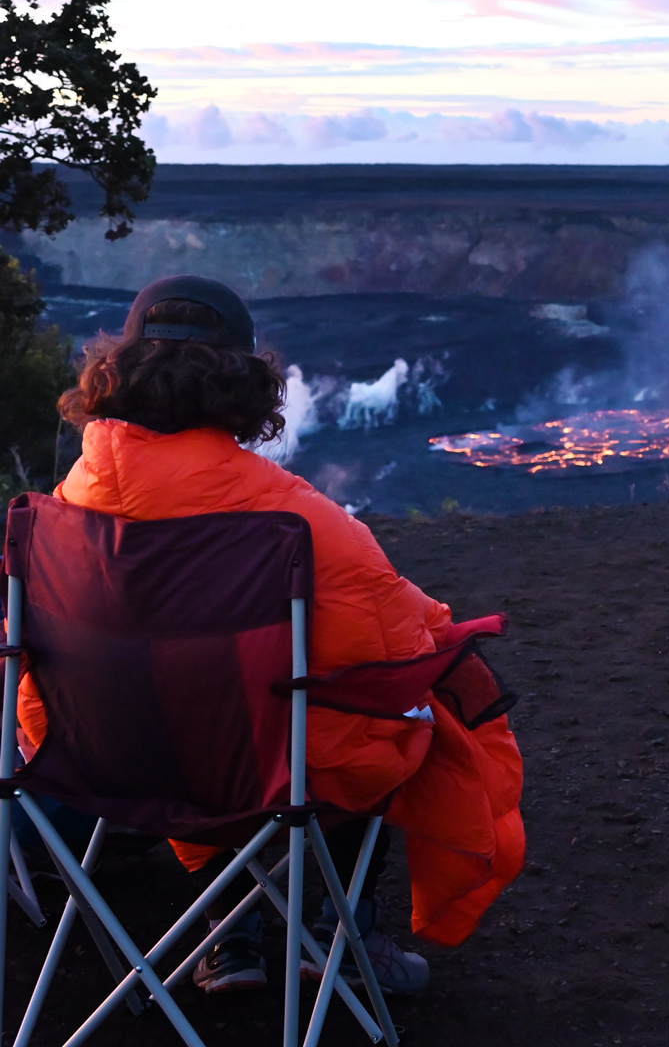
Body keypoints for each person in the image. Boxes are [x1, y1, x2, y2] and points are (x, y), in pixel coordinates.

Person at [17, 275, 525, 995]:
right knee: (402, 718)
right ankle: (344, 933)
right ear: (244, 384)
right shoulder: (296, 522)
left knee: (209, 719)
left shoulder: (53, 517)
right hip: (258, 780)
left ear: (115, 372)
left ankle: (234, 936)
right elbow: (394, 647)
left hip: (99, 766)